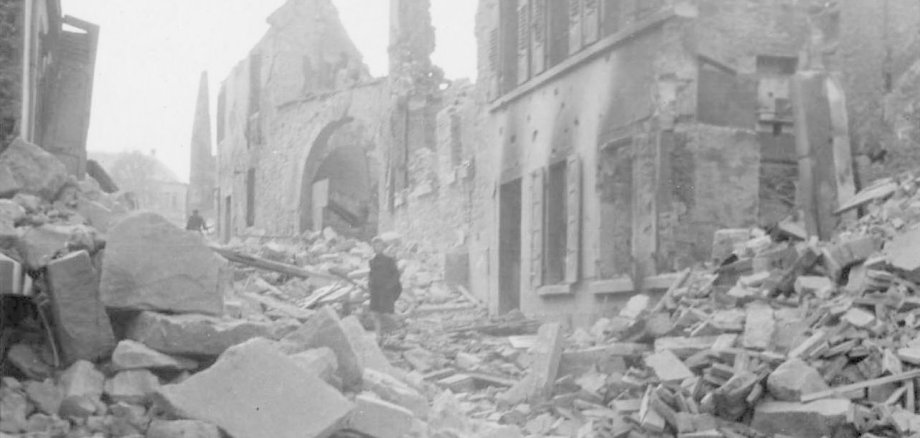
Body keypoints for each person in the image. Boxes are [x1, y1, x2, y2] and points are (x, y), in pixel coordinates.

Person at [368, 237, 402, 343]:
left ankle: (399, 330)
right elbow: (371, 274)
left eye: (379, 245)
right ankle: (378, 336)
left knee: (387, 313)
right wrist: (369, 284)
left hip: (386, 292)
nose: (376, 248)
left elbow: (396, 274)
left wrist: (389, 286)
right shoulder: (372, 261)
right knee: (375, 314)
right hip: (375, 292)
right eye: (374, 246)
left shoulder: (389, 260)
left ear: (383, 247)